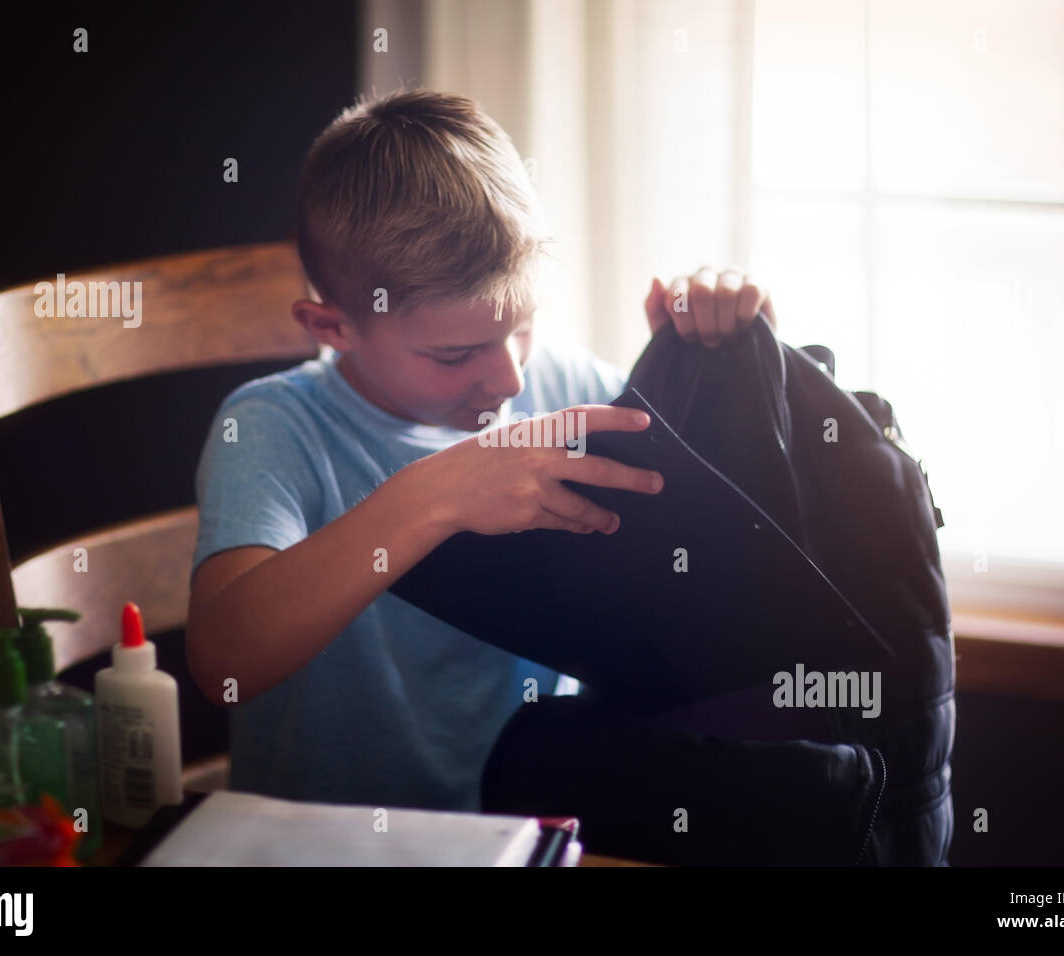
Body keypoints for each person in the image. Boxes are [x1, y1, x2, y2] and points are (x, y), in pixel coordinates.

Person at [184, 87, 776, 811]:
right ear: (332, 326)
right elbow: (225, 661)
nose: (509, 376)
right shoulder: (274, 427)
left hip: (536, 832)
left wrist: (719, 359)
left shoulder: (563, 385)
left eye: (521, 327)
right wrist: (438, 493)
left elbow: (714, 540)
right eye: (454, 352)